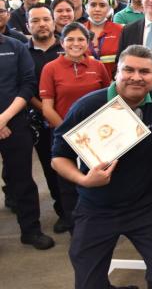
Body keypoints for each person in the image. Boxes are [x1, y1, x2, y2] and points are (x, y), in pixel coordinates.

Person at [52, 45, 152, 289]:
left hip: (145, 207)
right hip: (96, 208)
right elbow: (58, 157)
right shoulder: (87, 106)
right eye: (128, 70)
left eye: (144, 72)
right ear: (115, 73)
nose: (136, 77)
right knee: (89, 285)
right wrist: (84, 180)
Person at [40, 22, 112, 230]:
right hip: (65, 137)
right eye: (70, 39)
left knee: (99, 182)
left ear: (88, 43)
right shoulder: (50, 68)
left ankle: (101, 226)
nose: (76, 43)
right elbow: (47, 109)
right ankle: (76, 228)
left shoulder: (97, 66)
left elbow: (107, 100)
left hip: (97, 138)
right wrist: (71, 135)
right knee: (69, 187)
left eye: (81, 39)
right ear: (62, 42)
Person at [0, 8, 55, 250]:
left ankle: (30, 230)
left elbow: (28, 84)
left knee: (22, 179)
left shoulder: (16, 45)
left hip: (15, 121)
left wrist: (5, 117)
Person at [25, 5, 66, 232]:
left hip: (71, 118)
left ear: (53, 22)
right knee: (51, 166)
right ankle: (62, 210)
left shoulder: (68, 46)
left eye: (46, 19)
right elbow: (26, 88)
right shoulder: (24, 52)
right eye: (36, 20)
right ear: (27, 25)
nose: (42, 24)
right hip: (41, 121)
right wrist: (46, 112)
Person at [83, 0, 123, 78]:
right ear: (86, 7)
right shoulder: (78, 31)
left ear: (109, 8)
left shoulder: (120, 30)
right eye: (93, 5)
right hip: (85, 84)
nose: (97, 9)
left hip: (113, 84)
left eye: (102, 5)